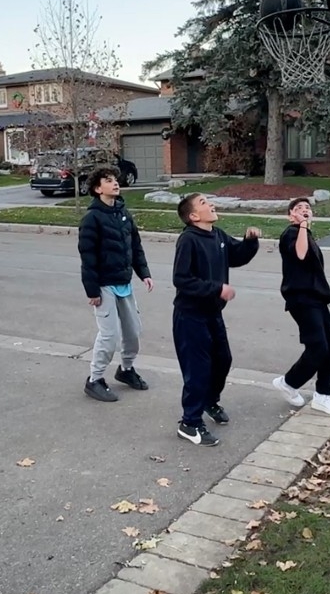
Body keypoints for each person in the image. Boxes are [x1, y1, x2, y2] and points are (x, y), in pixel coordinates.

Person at [172, 193, 261, 446]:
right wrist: (216, 288)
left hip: (213, 313)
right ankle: (190, 423)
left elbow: (237, 256)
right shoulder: (188, 240)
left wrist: (250, 241)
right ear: (193, 216)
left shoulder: (218, 235)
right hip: (190, 316)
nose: (210, 204)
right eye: (203, 203)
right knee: (197, 370)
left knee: (223, 360)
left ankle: (210, 401)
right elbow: (181, 279)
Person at [78, 167, 154, 402]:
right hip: (103, 285)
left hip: (124, 282)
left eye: (115, 180)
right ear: (98, 188)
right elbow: (87, 256)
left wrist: (144, 273)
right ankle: (95, 379)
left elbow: (135, 245)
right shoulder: (92, 218)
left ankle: (126, 370)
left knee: (132, 332)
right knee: (109, 336)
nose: (115, 183)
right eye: (108, 181)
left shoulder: (123, 212)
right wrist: (92, 290)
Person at [272, 197, 330, 417]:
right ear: (290, 215)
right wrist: (302, 225)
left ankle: (323, 396)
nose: (305, 210)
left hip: (317, 298)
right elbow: (300, 255)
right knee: (318, 348)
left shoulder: (307, 234)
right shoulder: (290, 234)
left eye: (307, 208)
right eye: (299, 208)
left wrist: (305, 228)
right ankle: (288, 382)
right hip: (302, 299)